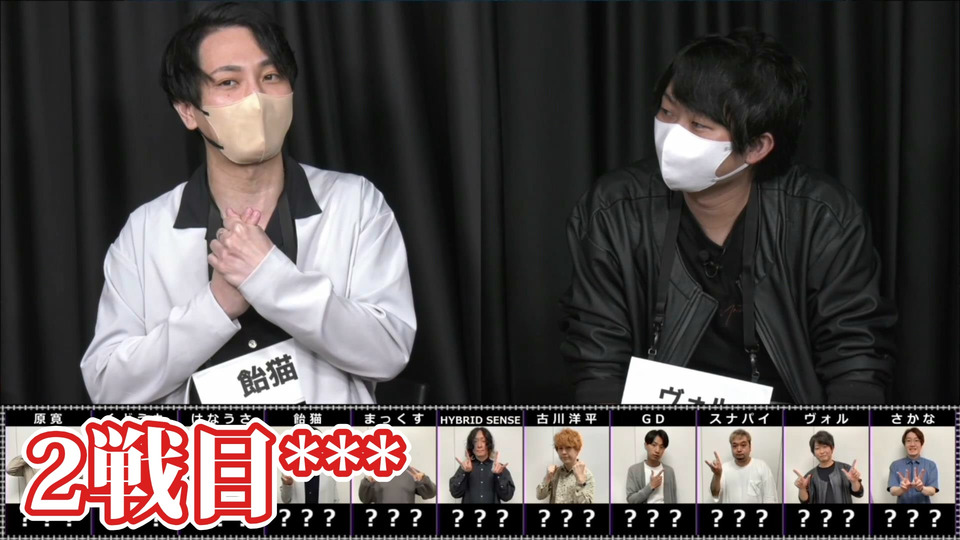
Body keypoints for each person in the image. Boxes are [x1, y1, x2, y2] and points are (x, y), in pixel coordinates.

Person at [79, 3, 416, 404]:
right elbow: (109, 386)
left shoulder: (355, 203)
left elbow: (388, 351)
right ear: (187, 110)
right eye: (229, 82)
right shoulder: (146, 231)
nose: (256, 98)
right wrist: (216, 305)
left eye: (270, 76)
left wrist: (270, 278)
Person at [559, 28, 896, 404]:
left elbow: (855, 358)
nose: (672, 136)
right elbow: (596, 361)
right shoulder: (614, 210)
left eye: (699, 125)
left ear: (756, 147)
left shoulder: (821, 216)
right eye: (667, 112)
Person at [705, 429, 778, 503]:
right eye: (735, 446)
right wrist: (717, 475)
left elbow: (770, 498)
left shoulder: (762, 467)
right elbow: (715, 494)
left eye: (743, 445)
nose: (739, 449)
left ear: (750, 447)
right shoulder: (724, 469)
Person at [793, 431, 863, 504]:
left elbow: (858, 493)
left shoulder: (846, 469)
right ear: (813, 452)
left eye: (825, 446)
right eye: (817, 448)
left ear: (832, 448)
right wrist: (802, 489)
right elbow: (804, 501)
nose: (821, 451)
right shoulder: (809, 476)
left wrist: (854, 481)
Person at [449, 427, 515, 503]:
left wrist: (499, 475)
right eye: (475, 441)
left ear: (489, 444)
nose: (479, 445)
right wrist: (464, 473)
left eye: (483, 441)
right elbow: (455, 493)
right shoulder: (464, 467)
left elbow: (507, 496)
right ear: (471, 445)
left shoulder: (499, 468)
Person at [535, 428, 595, 504]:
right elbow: (539, 496)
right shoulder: (555, 472)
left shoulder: (587, 474)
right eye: (560, 448)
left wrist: (580, 482)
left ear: (577, 450)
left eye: (568, 447)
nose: (563, 452)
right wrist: (547, 478)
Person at [887, 427, 939, 503]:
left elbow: (932, 491)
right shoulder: (895, 465)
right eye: (908, 441)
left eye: (916, 440)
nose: (912, 444)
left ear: (921, 444)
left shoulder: (931, 465)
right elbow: (892, 491)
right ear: (904, 444)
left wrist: (921, 488)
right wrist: (902, 489)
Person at [626, 429, 677, 504]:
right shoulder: (634, 470)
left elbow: (674, 498)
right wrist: (650, 486)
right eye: (654, 445)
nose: (657, 450)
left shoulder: (669, 471)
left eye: (661, 447)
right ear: (646, 445)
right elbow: (631, 500)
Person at [358, 466, 437, 504]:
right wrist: (367, 481)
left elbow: (431, 494)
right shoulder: (374, 473)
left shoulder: (411, 472)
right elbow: (364, 499)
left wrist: (423, 479)